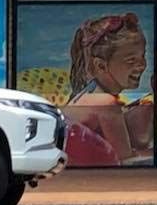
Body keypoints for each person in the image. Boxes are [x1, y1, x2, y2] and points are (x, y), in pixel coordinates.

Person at [64, 12, 152, 165]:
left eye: (143, 56)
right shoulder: (106, 103)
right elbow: (125, 159)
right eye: (131, 60)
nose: (142, 65)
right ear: (100, 65)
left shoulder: (85, 93)